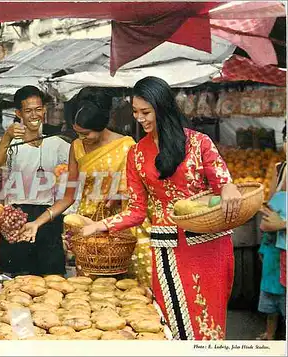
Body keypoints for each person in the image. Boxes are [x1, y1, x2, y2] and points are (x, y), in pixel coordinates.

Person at [82, 76, 242, 340]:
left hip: (210, 247)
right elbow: (137, 210)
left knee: (208, 327)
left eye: (145, 112)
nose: (139, 118)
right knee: (170, 325)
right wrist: (100, 226)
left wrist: (228, 189)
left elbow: (224, 183)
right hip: (167, 250)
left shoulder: (199, 143)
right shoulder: (136, 154)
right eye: (135, 112)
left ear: (163, 107)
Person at [20, 90, 152, 285]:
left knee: (131, 292)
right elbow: (68, 197)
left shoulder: (127, 146)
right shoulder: (76, 146)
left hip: (123, 230)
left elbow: (144, 191)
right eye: (78, 133)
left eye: (86, 133)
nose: (82, 138)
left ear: (101, 126)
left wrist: (122, 194)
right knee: (91, 292)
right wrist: (37, 223)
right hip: (88, 230)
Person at [0, 85, 70, 276]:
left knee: (51, 278)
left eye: (38, 109)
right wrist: (6, 137)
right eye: (28, 111)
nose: (34, 115)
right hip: (17, 214)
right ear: (18, 113)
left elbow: (78, 162)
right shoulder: (12, 142)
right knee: (16, 276)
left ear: (44, 110)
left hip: (48, 216)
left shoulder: (55, 142)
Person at [257, 125, 287, 340]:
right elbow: (275, 202)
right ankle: (270, 334)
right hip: (275, 248)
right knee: (272, 292)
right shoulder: (281, 167)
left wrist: (283, 224)